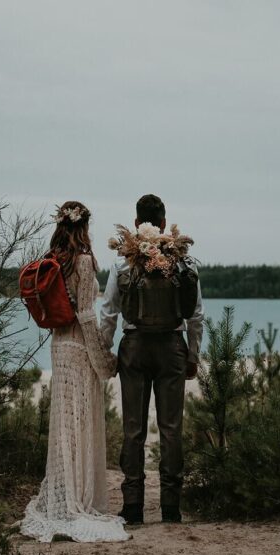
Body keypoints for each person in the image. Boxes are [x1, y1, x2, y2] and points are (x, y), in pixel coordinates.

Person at [20, 201, 129, 543]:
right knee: (81, 422)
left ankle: (64, 491)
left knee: (64, 423)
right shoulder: (83, 262)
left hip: (58, 348)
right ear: (84, 228)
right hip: (80, 349)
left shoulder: (53, 260)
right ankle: (78, 498)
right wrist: (103, 360)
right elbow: (85, 315)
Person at [100, 194, 204, 524]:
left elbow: (108, 314)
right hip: (172, 347)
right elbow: (196, 317)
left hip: (134, 348)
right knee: (171, 429)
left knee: (133, 430)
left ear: (135, 223)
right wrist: (192, 356)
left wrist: (105, 353)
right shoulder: (184, 262)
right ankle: (171, 507)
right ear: (163, 222)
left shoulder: (123, 263)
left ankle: (132, 506)